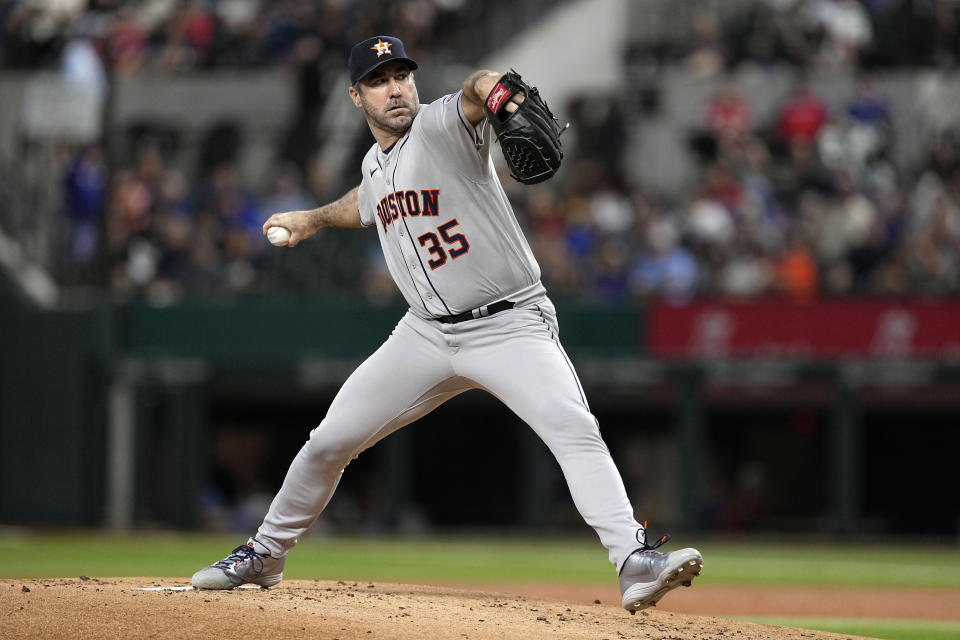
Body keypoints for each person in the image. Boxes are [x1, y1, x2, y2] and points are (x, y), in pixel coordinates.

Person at [191, 35, 703, 613]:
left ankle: (633, 559)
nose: (397, 89)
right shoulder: (375, 165)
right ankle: (266, 553)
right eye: (381, 81)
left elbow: (475, 87)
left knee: (571, 426)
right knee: (328, 441)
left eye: (403, 76)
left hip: (509, 324)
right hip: (425, 334)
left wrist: (502, 96)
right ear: (356, 97)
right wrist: (312, 218)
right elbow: (364, 200)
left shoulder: (440, 126)